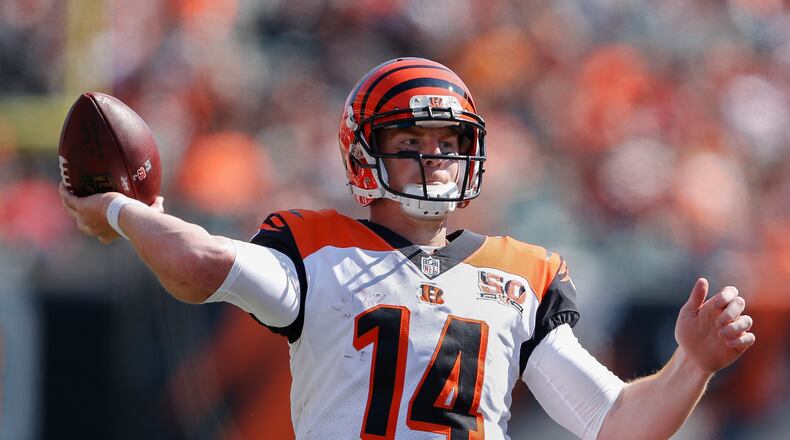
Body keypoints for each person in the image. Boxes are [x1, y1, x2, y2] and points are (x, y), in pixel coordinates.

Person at [60, 57, 755, 440]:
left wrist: (690, 365)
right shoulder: (317, 247)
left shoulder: (523, 274)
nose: (435, 160)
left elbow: (615, 425)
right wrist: (122, 210)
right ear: (366, 157)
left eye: (449, 144)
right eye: (410, 143)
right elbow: (199, 265)